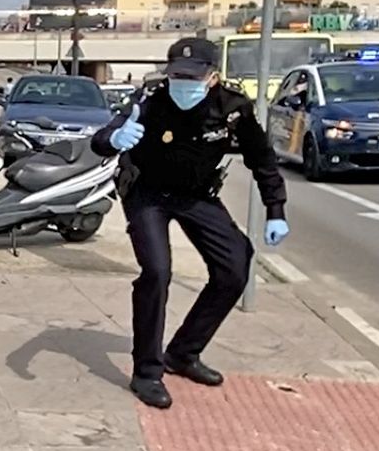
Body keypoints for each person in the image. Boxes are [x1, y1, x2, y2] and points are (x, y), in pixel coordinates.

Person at [91, 37, 291, 410]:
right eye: (177, 76)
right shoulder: (148, 101)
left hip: (197, 196)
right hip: (147, 194)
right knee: (156, 272)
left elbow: (261, 159)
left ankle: (183, 353)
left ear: (212, 77)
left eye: (193, 77)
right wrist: (115, 139)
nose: (183, 83)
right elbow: (101, 138)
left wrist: (275, 208)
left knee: (235, 265)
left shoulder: (233, 108)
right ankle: (147, 372)